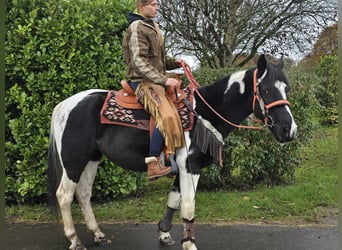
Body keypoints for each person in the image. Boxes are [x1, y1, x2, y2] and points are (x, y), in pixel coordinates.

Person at [122, 0, 188, 180]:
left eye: (157, 4)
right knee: (165, 115)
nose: (157, 7)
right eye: (152, 4)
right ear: (141, 6)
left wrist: (175, 63)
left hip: (156, 82)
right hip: (143, 82)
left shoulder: (153, 26)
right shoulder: (137, 27)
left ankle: (171, 156)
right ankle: (152, 165)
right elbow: (139, 61)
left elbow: (158, 60)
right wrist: (165, 80)